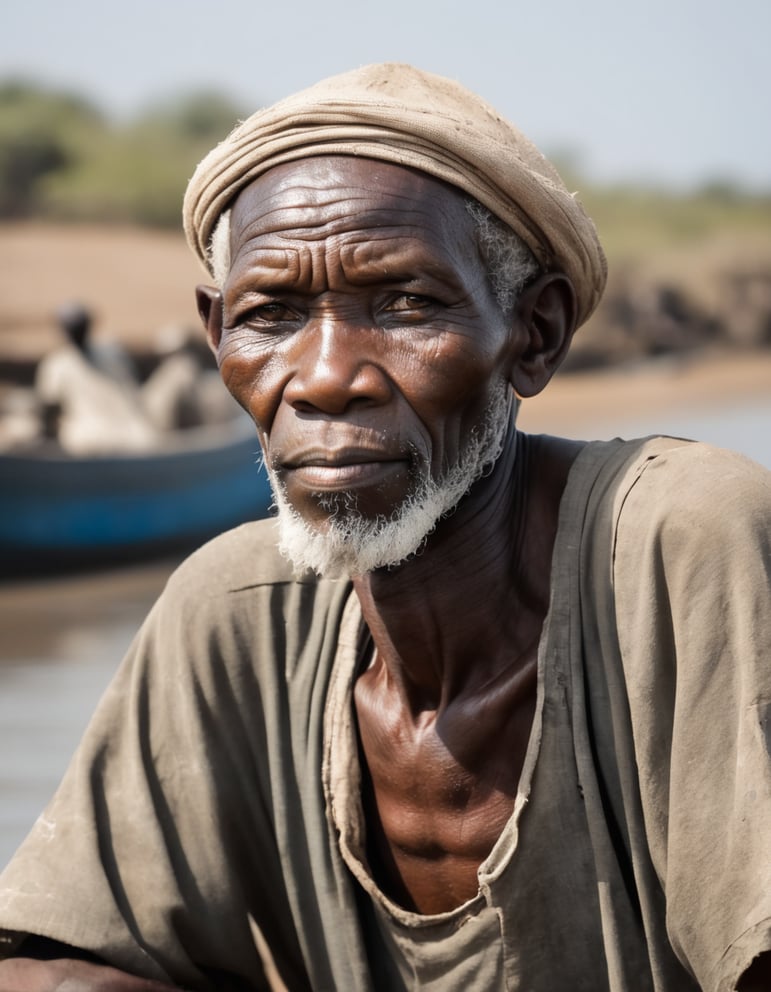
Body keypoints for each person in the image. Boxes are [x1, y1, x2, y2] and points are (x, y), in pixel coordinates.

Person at [0, 63, 768, 991]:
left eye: (406, 305)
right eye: (270, 315)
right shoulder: (234, 612)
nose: (324, 377)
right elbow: (46, 965)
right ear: (215, 341)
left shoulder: (680, 544)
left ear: (534, 333)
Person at [34, 301, 160, 454]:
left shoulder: (57, 364)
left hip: (89, 442)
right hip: (138, 437)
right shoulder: (114, 351)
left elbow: (48, 409)